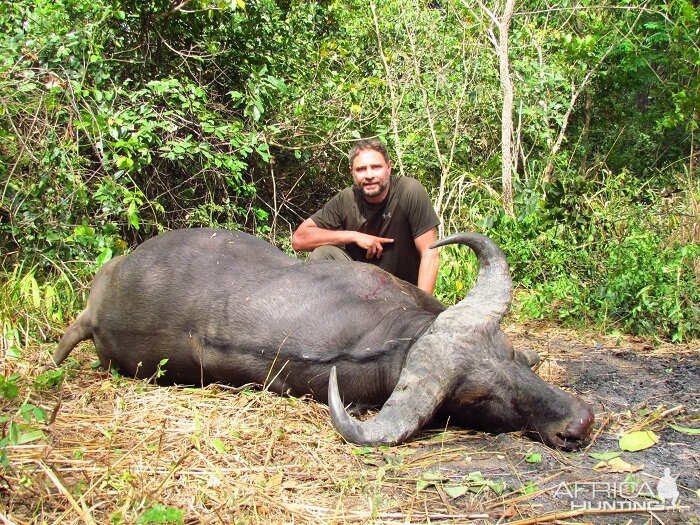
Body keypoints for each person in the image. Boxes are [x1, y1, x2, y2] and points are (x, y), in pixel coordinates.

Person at [291, 138, 441, 294]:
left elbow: (430, 253)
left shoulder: (409, 191)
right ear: (352, 173)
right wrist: (354, 236)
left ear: (388, 168)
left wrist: (422, 307)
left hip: (403, 294)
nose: (369, 175)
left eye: (376, 167)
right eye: (361, 169)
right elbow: (299, 240)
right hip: (360, 292)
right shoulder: (347, 199)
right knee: (324, 253)